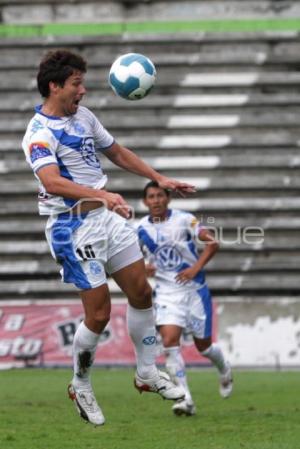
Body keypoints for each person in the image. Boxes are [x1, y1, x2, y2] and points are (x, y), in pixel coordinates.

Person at [22, 50, 196, 426]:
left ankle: (147, 372)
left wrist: (159, 178)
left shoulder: (83, 117)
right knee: (99, 314)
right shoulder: (38, 134)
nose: (82, 91)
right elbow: (50, 181)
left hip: (105, 218)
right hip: (71, 227)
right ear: (54, 86)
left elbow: (115, 151)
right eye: (76, 84)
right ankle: (80, 384)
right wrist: (103, 195)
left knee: (141, 292)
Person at [138, 181, 233, 417]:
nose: (156, 200)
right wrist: (143, 268)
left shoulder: (184, 219)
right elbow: (128, 260)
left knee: (204, 347)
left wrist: (194, 269)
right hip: (167, 293)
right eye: (151, 196)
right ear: (145, 202)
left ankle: (224, 368)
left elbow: (212, 242)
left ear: (168, 199)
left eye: (160, 195)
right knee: (170, 343)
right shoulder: (138, 228)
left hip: (194, 291)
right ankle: (185, 399)